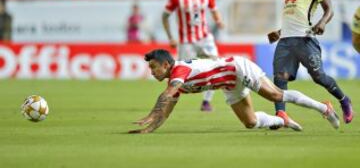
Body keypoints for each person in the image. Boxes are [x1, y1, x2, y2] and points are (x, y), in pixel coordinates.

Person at [128, 49, 340, 134]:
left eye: (154, 66)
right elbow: (167, 109)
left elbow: (165, 97)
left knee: (275, 95)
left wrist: (149, 114)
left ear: (166, 64)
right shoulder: (174, 83)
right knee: (250, 123)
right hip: (228, 84)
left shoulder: (179, 71)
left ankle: (324, 107)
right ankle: (281, 120)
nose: (152, 71)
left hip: (236, 68)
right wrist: (148, 130)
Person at [267, 0, 353, 124]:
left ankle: (344, 100)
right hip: (285, 40)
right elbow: (293, 15)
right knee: (280, 77)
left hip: (305, 40)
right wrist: (279, 31)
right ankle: (281, 115)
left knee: (319, 77)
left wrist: (322, 23)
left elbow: (329, 9)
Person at [162, 0, 224, 112]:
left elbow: (214, 9)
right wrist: (170, 37)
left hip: (205, 38)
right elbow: (165, 16)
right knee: (180, 74)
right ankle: (167, 99)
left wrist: (219, 21)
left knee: (216, 67)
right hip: (186, 42)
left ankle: (206, 102)